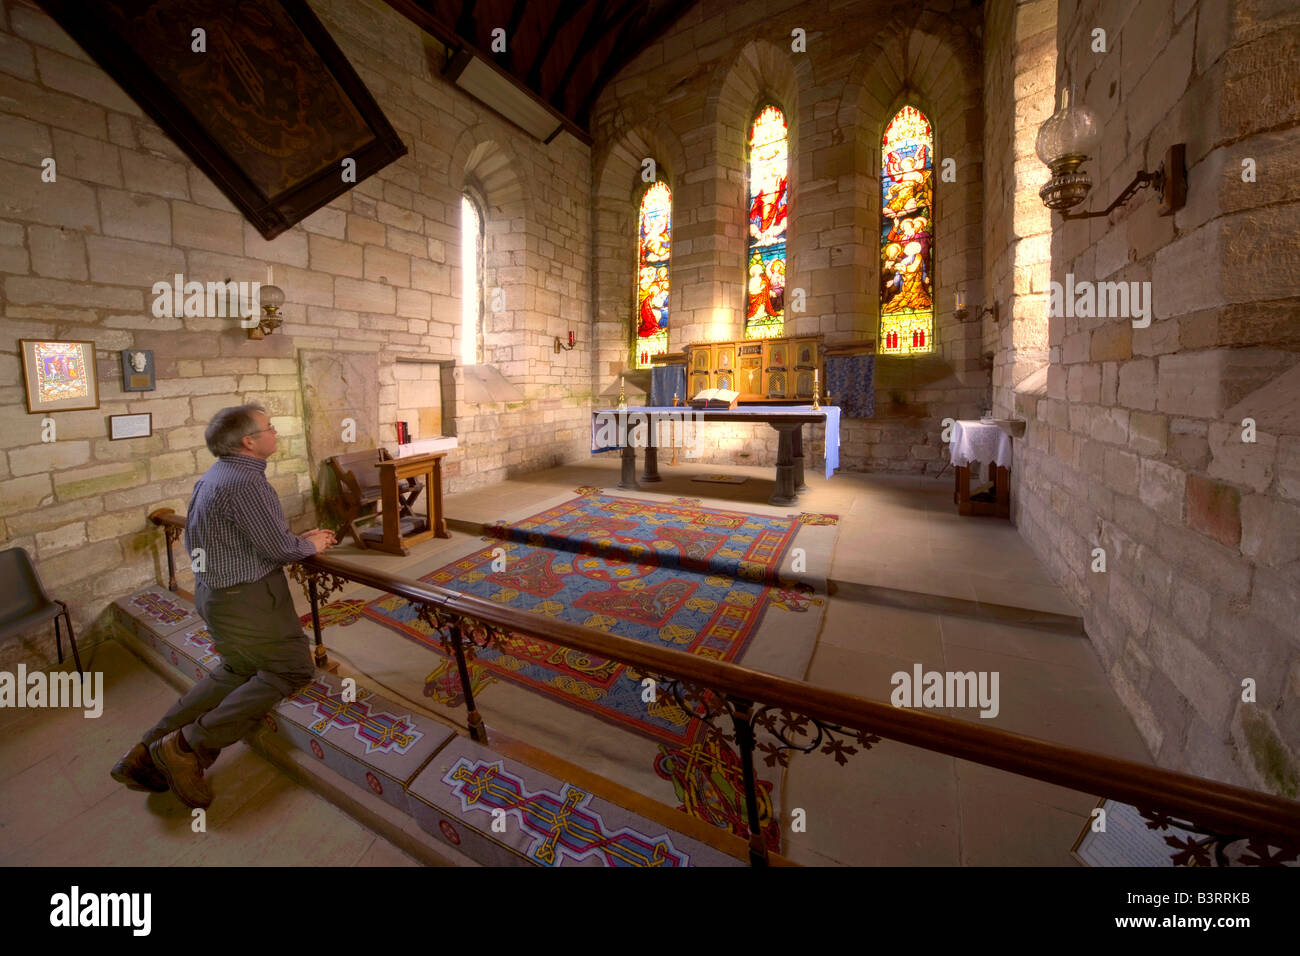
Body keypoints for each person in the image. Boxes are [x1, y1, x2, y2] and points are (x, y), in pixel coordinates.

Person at [110, 404, 336, 808]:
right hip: (248, 601)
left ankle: (145, 751)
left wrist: (298, 539)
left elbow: (248, 539)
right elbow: (278, 549)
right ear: (249, 441)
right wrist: (309, 545)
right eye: (270, 428)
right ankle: (186, 748)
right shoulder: (247, 483)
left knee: (239, 669)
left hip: (216, 594)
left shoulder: (217, 475)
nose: (275, 433)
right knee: (292, 668)